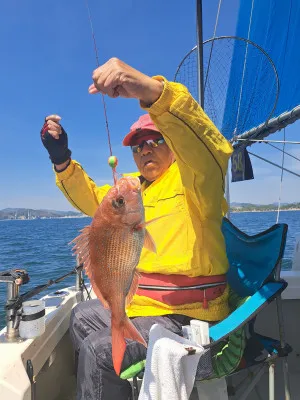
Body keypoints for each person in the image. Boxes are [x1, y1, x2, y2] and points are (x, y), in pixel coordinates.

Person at [40, 57, 233, 400]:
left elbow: (208, 151)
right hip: (144, 304)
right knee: (81, 317)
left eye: (154, 140)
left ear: (172, 143)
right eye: (137, 145)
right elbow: (95, 201)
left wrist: (153, 92)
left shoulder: (195, 179)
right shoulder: (135, 189)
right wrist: (62, 160)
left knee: (100, 354)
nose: (144, 148)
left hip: (190, 316)